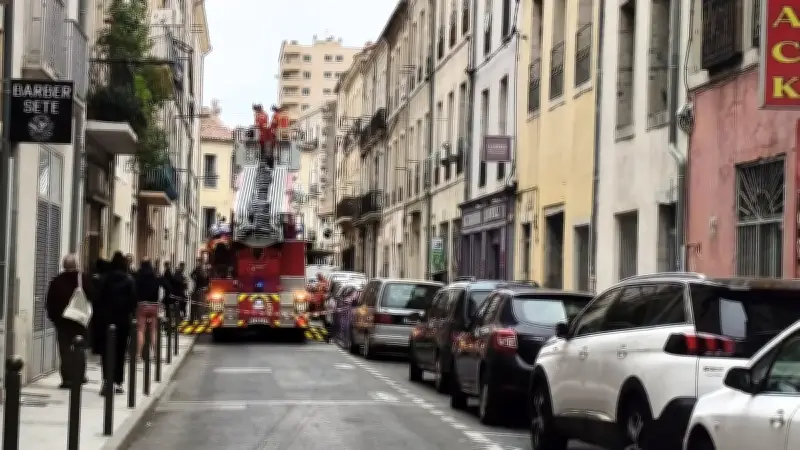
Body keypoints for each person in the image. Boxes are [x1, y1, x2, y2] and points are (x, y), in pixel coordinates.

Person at [46, 254, 94, 389]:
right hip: (80, 321)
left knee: (65, 350)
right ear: (77, 265)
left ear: (63, 265)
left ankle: (67, 379)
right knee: (80, 348)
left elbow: (50, 302)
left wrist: (55, 319)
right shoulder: (83, 279)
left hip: (62, 321)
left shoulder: (56, 281)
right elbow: (93, 295)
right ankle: (80, 376)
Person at [98, 252, 137, 396]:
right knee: (120, 352)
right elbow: (133, 301)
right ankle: (118, 382)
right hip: (123, 321)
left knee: (106, 352)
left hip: (106, 321)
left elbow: (98, 298)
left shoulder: (104, 279)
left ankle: (106, 380)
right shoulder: (129, 280)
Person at [134, 259, 160, 359]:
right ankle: (155, 354)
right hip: (154, 305)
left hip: (142, 305)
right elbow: (165, 285)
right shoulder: (155, 276)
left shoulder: (138, 276)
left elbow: (135, 290)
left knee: (141, 330)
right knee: (153, 330)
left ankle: (138, 354)